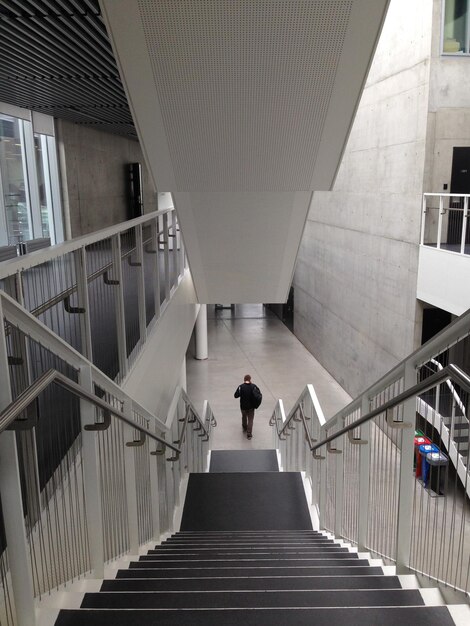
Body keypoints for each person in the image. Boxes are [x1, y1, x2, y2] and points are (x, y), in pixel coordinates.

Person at [234, 374, 262, 440]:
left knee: (244, 417)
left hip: (243, 406)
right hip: (251, 407)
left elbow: (235, 395)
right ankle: (249, 434)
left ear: (244, 379)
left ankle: (244, 427)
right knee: (250, 420)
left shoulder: (241, 387)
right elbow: (258, 395)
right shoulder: (254, 386)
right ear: (250, 379)